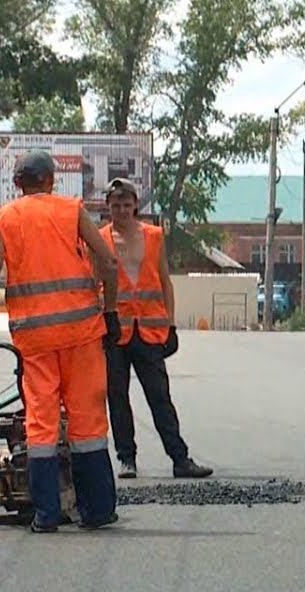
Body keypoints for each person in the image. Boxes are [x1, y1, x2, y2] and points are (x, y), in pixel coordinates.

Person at [0, 150, 122, 533]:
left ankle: (46, 514)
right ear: (51, 180)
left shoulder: (4, 219)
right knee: (88, 421)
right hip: (82, 333)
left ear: (17, 185)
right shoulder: (70, 209)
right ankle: (97, 510)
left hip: (35, 338)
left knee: (41, 425)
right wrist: (109, 312)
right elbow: (109, 263)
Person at [99, 177, 212, 480]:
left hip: (149, 332)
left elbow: (164, 281)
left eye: (127, 204)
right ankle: (127, 459)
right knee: (117, 396)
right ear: (108, 207)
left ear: (136, 205)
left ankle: (180, 459)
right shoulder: (100, 240)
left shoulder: (153, 236)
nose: (122, 210)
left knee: (159, 396)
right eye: (116, 205)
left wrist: (171, 324)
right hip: (114, 332)